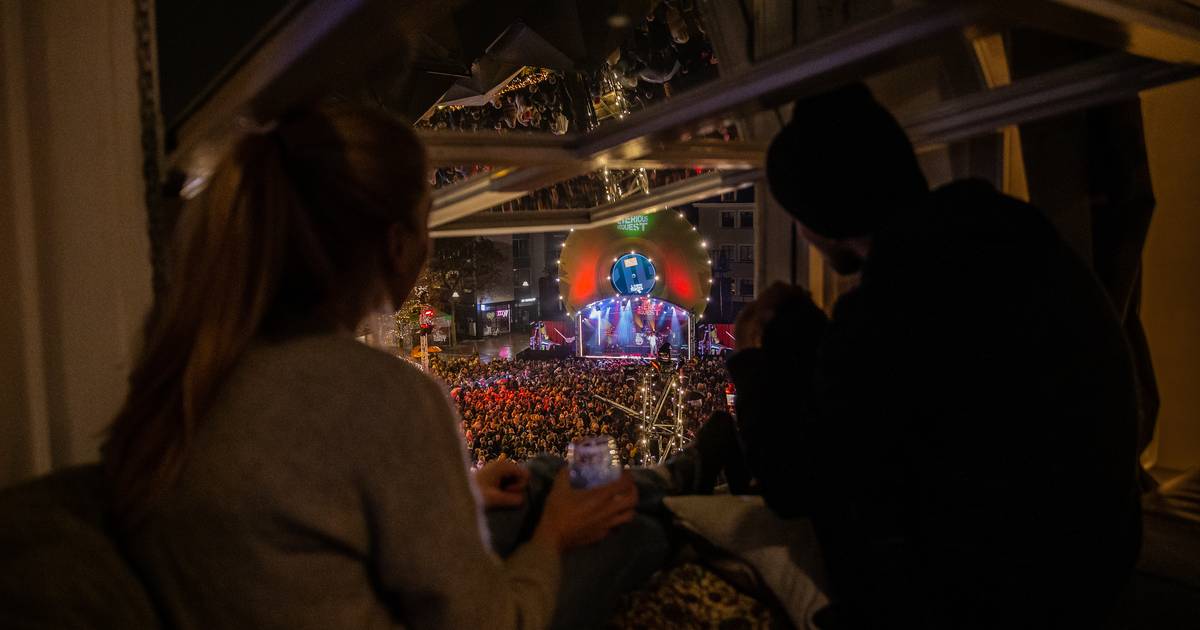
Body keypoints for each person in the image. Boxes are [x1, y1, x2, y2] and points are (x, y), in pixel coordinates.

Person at [101, 103, 640, 630]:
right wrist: (554, 536)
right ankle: (672, 486)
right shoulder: (383, 394)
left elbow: (287, 522)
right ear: (397, 244)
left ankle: (661, 481)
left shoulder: (190, 367)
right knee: (631, 533)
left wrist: (459, 493)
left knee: (538, 482)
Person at [731, 83, 1142, 628]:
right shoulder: (1011, 232)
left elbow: (792, 484)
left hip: (998, 600)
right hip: (1097, 564)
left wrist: (756, 353)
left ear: (822, 219)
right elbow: (917, 393)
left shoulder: (884, 311)